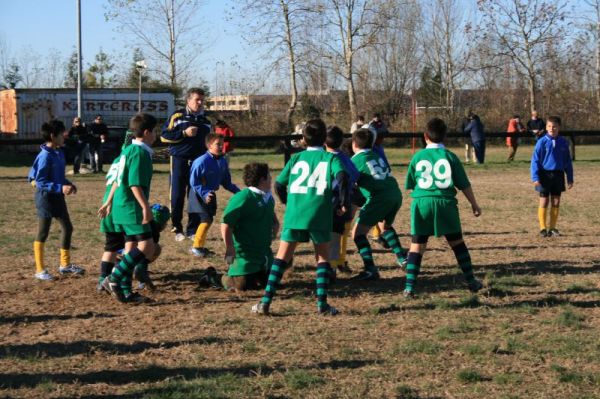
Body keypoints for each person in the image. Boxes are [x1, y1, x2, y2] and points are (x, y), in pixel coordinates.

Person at [251, 118, 350, 316]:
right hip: (319, 214)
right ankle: (322, 304)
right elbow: (342, 178)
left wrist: (290, 202)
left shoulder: (295, 159)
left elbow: (279, 185)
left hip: (295, 214)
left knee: (282, 257)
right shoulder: (331, 159)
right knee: (322, 257)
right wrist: (341, 203)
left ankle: (265, 302)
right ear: (324, 139)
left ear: (303, 139)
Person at [403, 118, 483, 297]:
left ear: (425, 137)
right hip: (445, 203)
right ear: (445, 137)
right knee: (457, 244)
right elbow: (464, 184)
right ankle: (471, 281)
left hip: (422, 203)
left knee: (416, 246)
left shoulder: (417, 157)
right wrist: (474, 204)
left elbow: (410, 183)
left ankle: (409, 288)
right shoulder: (450, 156)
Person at [101, 113, 158, 304]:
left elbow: (118, 179)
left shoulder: (127, 150)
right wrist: (145, 207)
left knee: (130, 247)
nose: (156, 135)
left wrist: (109, 202)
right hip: (131, 207)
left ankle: (126, 292)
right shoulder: (140, 153)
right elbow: (134, 184)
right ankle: (114, 279)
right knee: (147, 247)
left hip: (120, 206)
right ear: (147, 132)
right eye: (155, 131)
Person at [28, 119, 85, 280]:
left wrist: (68, 184)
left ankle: (65, 265)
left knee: (68, 227)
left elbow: (58, 176)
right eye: (61, 134)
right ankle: (40, 270)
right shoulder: (45, 156)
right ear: (53, 136)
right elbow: (39, 181)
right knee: (43, 232)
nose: (64, 136)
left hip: (58, 197)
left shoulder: (59, 152)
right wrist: (60, 187)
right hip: (45, 199)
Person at [350, 128, 407, 281]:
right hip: (395, 193)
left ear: (354, 143)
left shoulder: (354, 160)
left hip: (378, 197)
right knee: (384, 226)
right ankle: (402, 258)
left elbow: (348, 181)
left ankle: (370, 269)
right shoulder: (377, 155)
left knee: (357, 233)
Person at [212, 162, 279, 292]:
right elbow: (226, 224)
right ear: (262, 180)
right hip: (245, 256)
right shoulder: (243, 197)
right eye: (269, 176)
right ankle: (214, 277)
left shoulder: (268, 197)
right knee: (241, 286)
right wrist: (230, 248)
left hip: (264, 254)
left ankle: (258, 273)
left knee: (273, 281)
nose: (271, 179)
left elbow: (272, 218)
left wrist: (275, 225)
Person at [161, 88, 212, 241]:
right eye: (197, 99)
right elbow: (164, 136)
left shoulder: (206, 121)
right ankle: (177, 228)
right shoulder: (178, 116)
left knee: (195, 195)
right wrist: (184, 133)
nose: (200, 102)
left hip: (199, 163)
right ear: (188, 100)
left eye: (202, 100)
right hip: (179, 160)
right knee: (177, 195)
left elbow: (210, 142)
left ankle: (192, 230)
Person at [188, 133, 240, 257]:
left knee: (208, 220)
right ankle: (196, 247)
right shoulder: (201, 161)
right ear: (209, 145)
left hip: (211, 193)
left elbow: (226, 182)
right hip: (198, 194)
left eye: (222, 144)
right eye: (218, 144)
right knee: (206, 220)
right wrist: (205, 193)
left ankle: (198, 246)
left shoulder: (222, 161)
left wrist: (240, 193)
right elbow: (193, 182)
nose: (221, 146)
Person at [530, 116, 574, 237]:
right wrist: (535, 177)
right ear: (546, 127)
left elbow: (567, 161)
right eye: (549, 126)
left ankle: (553, 228)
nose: (551, 128)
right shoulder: (541, 142)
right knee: (544, 201)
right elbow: (535, 160)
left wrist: (570, 177)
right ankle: (543, 228)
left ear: (559, 127)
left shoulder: (563, 142)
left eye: (554, 126)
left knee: (556, 201)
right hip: (544, 175)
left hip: (558, 175)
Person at [324, 126, 359, 273]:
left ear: (324, 142)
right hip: (340, 202)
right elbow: (355, 175)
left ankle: (284, 260)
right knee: (336, 235)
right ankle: (333, 265)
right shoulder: (346, 159)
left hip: (321, 201)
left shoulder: (322, 157)